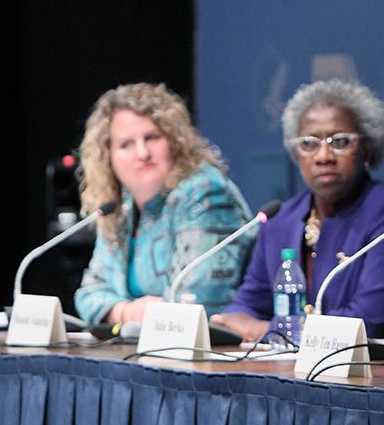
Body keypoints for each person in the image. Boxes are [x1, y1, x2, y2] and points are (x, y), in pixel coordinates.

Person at [212, 79, 384, 344]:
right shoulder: (280, 219)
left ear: (367, 148)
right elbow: (244, 307)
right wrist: (236, 322)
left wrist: (266, 331)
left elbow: (365, 324)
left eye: (340, 141)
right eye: (309, 143)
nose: (323, 156)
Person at [74, 83, 252, 324]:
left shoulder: (204, 193)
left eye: (152, 138)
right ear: (108, 157)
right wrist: (128, 313)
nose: (142, 153)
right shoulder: (120, 208)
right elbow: (89, 294)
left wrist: (124, 314)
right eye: (126, 144)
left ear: (174, 143)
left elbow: (196, 302)